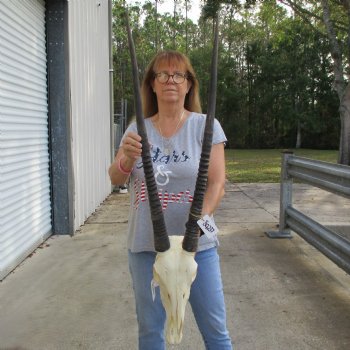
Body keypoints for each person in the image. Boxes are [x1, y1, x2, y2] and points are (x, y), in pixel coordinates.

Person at [108, 50, 232, 350]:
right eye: (162, 75)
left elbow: (217, 184)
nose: (170, 81)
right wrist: (125, 157)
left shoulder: (206, 126)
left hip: (196, 248)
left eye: (178, 75)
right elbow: (116, 178)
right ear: (152, 84)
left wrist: (198, 224)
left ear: (189, 84)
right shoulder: (137, 130)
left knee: (216, 331)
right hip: (146, 247)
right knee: (151, 332)